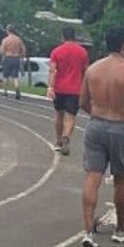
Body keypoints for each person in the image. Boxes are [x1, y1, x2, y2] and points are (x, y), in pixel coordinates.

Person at [78, 26, 124, 247]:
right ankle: (119, 229)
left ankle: (88, 230)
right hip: (121, 126)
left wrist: (97, 115)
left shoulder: (92, 69)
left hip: (96, 125)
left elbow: (82, 102)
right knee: (121, 179)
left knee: (93, 176)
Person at [47, 27, 89, 155]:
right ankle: (66, 137)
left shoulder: (56, 51)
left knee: (59, 114)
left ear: (63, 36)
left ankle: (59, 140)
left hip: (60, 87)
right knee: (71, 116)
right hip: (75, 89)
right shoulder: (82, 52)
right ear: (74, 36)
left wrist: (50, 86)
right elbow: (85, 71)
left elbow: (52, 70)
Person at [0, 25, 27, 100]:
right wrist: (20, 55)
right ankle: (17, 91)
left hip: (8, 57)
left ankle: (5, 93)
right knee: (15, 77)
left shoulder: (5, 40)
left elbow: (1, 51)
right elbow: (24, 50)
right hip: (16, 58)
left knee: (5, 76)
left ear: (8, 30)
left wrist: (5, 53)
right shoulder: (18, 39)